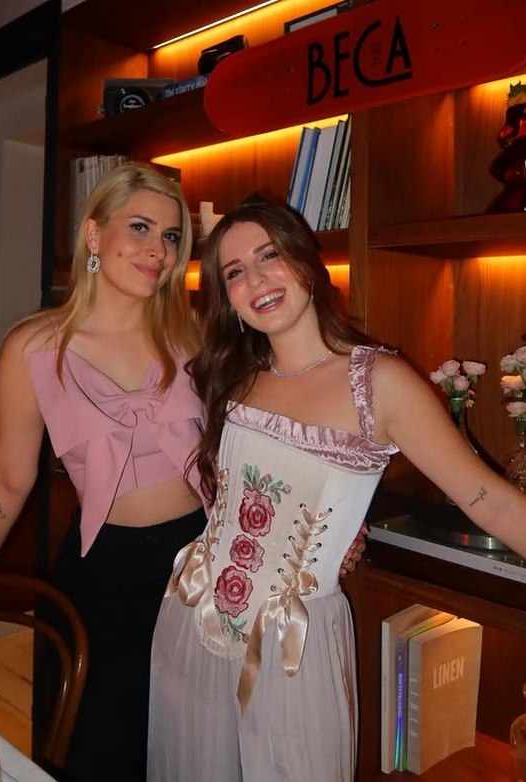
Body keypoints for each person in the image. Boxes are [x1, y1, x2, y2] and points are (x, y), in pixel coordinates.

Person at [0, 166, 363, 782]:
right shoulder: (33, 347)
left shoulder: (196, 337)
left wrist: (330, 528)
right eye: (140, 228)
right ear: (94, 235)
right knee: (100, 747)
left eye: (171, 237)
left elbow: (271, 438)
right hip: (102, 573)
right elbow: (8, 480)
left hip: (204, 566)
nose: (158, 250)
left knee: (202, 750)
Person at [146, 197, 526, 782]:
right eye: (235, 272)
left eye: (269, 255)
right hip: (194, 617)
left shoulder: (381, 382)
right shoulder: (235, 372)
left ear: (306, 261)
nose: (256, 280)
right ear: (228, 299)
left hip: (293, 649)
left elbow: (491, 501)